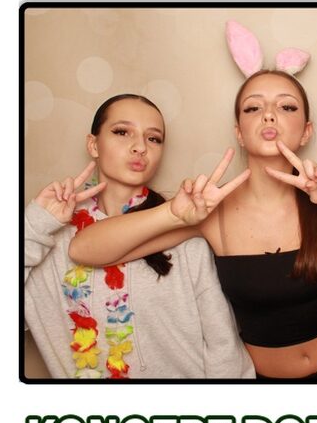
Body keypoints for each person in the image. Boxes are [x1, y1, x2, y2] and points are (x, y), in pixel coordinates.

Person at [70, 26, 317, 382]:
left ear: (306, 131)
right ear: (239, 132)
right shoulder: (211, 211)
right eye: (253, 107)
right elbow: (84, 249)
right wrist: (172, 214)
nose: (269, 115)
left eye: (286, 107)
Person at [24, 93, 251, 379]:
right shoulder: (52, 239)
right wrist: (35, 225)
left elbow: (224, 348)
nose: (140, 147)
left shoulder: (185, 232)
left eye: (153, 138)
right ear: (93, 144)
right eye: (122, 132)